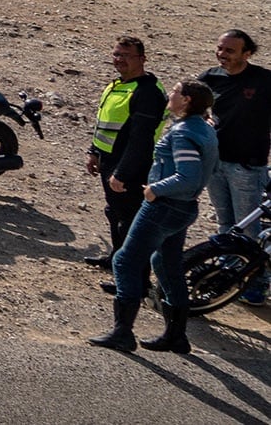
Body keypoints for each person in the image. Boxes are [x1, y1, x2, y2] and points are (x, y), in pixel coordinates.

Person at [90, 80, 219, 354]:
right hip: (185, 208)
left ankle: (122, 333)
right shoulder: (204, 129)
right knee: (166, 263)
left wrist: (154, 189)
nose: (170, 94)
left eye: (176, 91)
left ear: (186, 100)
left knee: (124, 261)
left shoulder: (183, 133)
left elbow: (187, 176)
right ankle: (176, 336)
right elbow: (209, 168)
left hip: (164, 207)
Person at [87, 37, 170, 269]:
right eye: (116, 54)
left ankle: (131, 273)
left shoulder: (147, 92)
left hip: (130, 165)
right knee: (115, 213)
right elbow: (105, 123)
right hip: (109, 159)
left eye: (126, 55)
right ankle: (117, 260)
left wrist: (122, 173)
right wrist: (94, 152)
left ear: (142, 59)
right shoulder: (118, 85)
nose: (119, 60)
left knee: (129, 218)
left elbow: (141, 140)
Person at [203, 29, 271, 303]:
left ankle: (256, 285)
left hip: (247, 167)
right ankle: (230, 276)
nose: (222, 54)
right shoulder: (211, 77)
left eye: (230, 50)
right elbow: (189, 102)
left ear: (247, 53)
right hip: (216, 163)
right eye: (220, 48)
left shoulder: (264, 80)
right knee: (226, 223)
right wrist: (203, 117)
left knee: (249, 229)